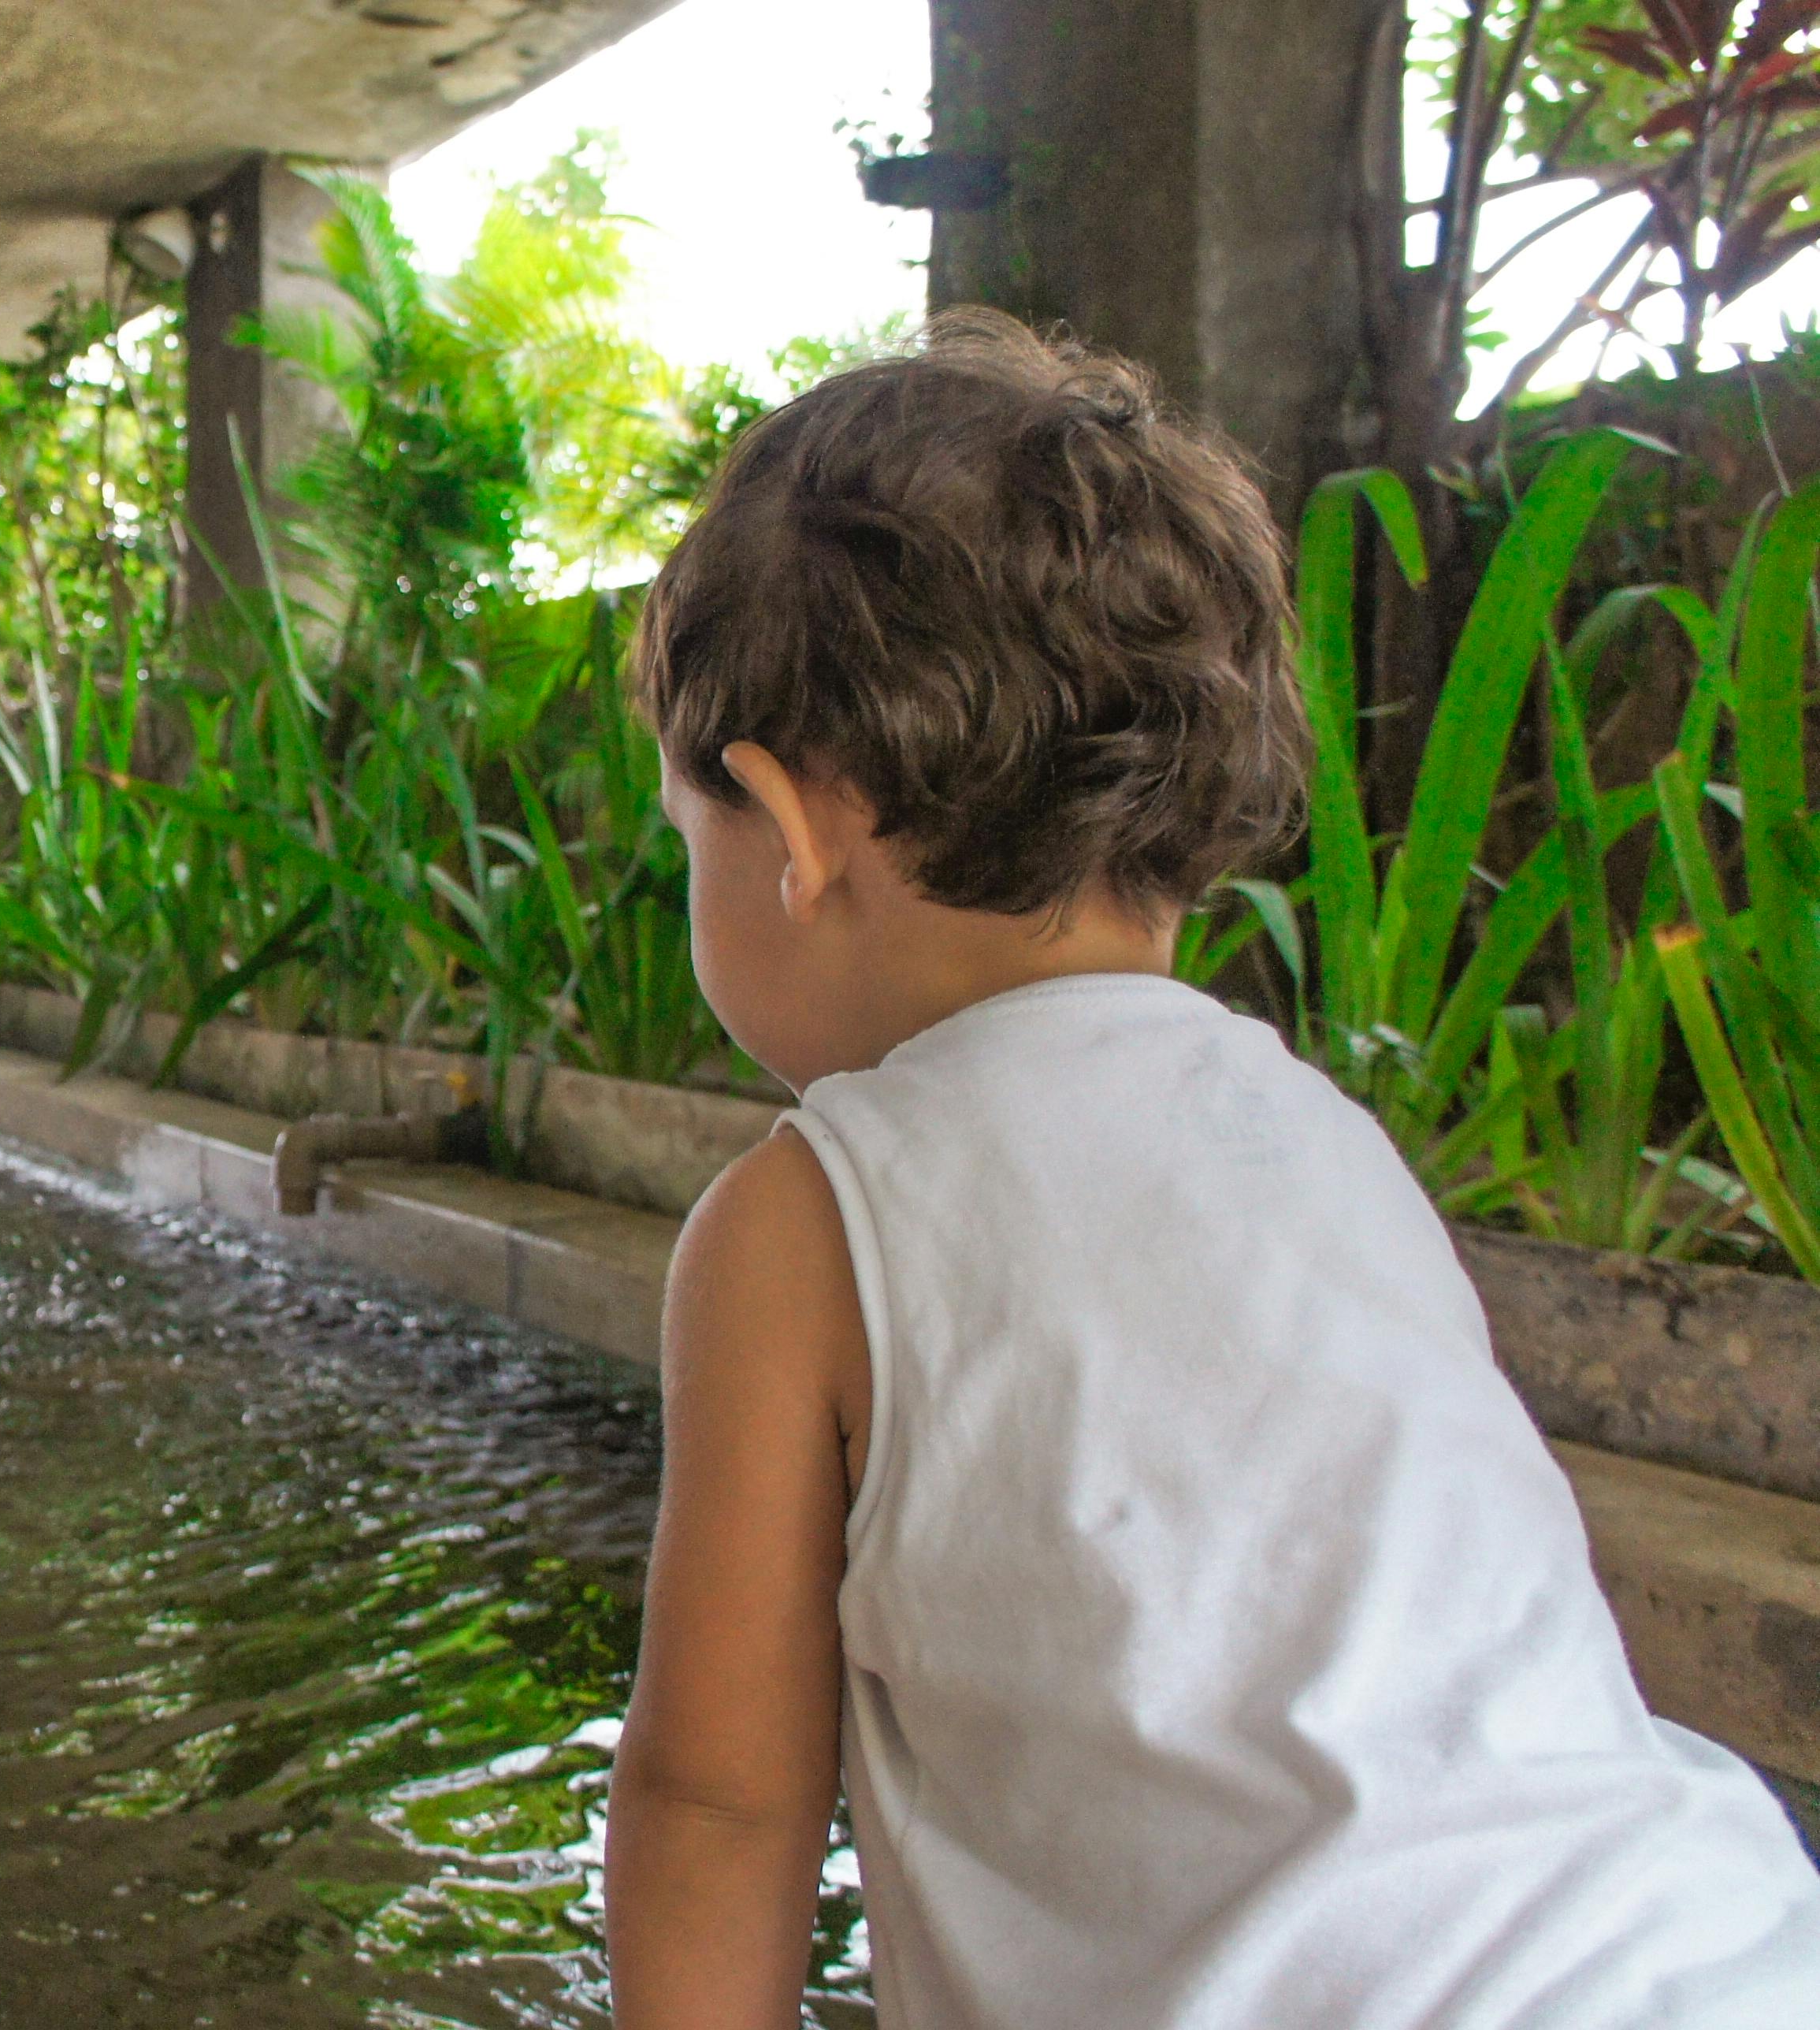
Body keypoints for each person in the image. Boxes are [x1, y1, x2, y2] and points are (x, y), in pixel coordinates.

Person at [600, 310, 1820, 2030]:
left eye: (686, 838)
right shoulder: (1322, 1136)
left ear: (788, 833)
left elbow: (718, 1805)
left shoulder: (804, 1220)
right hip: (1696, 1951)